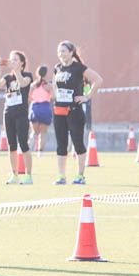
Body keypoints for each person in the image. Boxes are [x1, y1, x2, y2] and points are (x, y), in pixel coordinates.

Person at [51, 40, 103, 186]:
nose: (61, 54)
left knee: (78, 143)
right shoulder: (57, 68)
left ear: (71, 52)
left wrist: (87, 97)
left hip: (74, 111)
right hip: (59, 111)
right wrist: (56, 95)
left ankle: (80, 176)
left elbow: (98, 80)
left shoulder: (78, 68)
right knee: (61, 145)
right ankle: (61, 176)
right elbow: (55, 84)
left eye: (63, 51)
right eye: (59, 51)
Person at [0, 50, 33, 184]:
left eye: (15, 60)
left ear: (22, 63)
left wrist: (15, 70)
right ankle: (14, 175)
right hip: (8, 113)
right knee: (12, 145)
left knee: (23, 143)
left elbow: (22, 83)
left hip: (21, 114)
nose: (12, 62)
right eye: (11, 59)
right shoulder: (8, 78)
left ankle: (28, 175)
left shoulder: (27, 76)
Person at [28, 65, 53, 155]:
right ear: (46, 74)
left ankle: (27, 150)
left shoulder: (33, 85)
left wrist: (35, 99)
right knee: (43, 132)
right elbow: (54, 96)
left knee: (34, 132)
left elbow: (28, 97)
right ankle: (40, 152)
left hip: (35, 107)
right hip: (45, 107)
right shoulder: (49, 86)